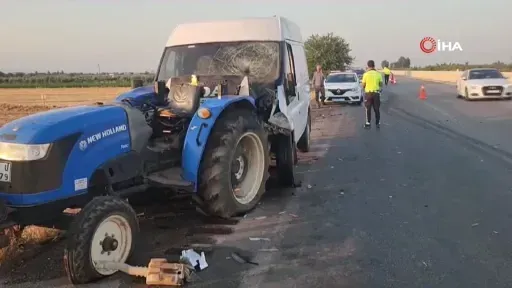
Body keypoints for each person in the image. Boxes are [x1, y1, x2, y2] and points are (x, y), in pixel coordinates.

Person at [361, 60, 383, 129]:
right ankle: (377, 123)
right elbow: (381, 84)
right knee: (377, 109)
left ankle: (368, 123)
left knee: (368, 108)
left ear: (368, 66)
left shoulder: (365, 74)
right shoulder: (378, 74)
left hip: (368, 94)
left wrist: (365, 87)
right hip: (376, 93)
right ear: (374, 65)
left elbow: (363, 85)